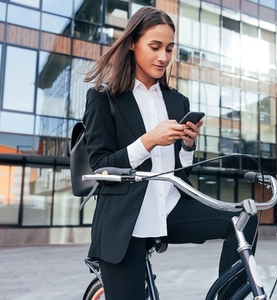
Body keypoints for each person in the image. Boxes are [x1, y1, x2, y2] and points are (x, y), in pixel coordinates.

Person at [82, 6, 258, 300]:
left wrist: (187, 146)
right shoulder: (104, 99)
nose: (164, 57)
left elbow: (179, 171)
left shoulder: (177, 101)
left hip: (172, 210)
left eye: (169, 48)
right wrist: (148, 141)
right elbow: (100, 168)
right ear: (132, 44)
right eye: (155, 47)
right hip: (127, 221)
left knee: (244, 218)